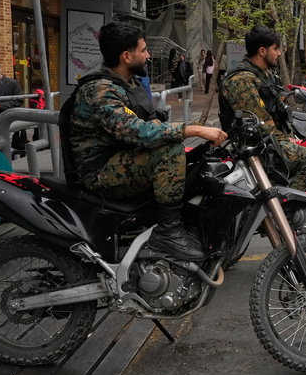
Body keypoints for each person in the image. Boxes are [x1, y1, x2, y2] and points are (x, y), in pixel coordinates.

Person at [65, 22, 227, 261]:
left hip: (122, 159)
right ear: (126, 56)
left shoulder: (127, 84)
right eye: (144, 50)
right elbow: (135, 131)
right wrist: (195, 129)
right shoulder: (100, 90)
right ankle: (168, 232)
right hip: (99, 172)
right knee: (169, 151)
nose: (149, 55)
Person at [218, 26, 306, 192]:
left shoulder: (265, 74)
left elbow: (280, 111)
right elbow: (259, 122)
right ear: (262, 51)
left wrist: (289, 136)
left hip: (270, 141)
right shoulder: (241, 80)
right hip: (254, 147)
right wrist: (283, 139)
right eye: (276, 48)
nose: (279, 53)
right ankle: (286, 209)